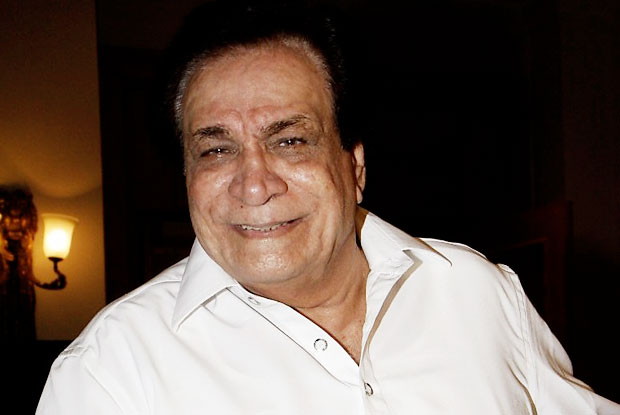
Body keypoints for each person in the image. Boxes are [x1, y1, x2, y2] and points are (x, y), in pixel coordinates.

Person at [36, 1, 620, 414]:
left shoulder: (478, 292)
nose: (254, 185)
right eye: (216, 149)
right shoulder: (111, 371)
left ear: (355, 167)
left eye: (291, 140)